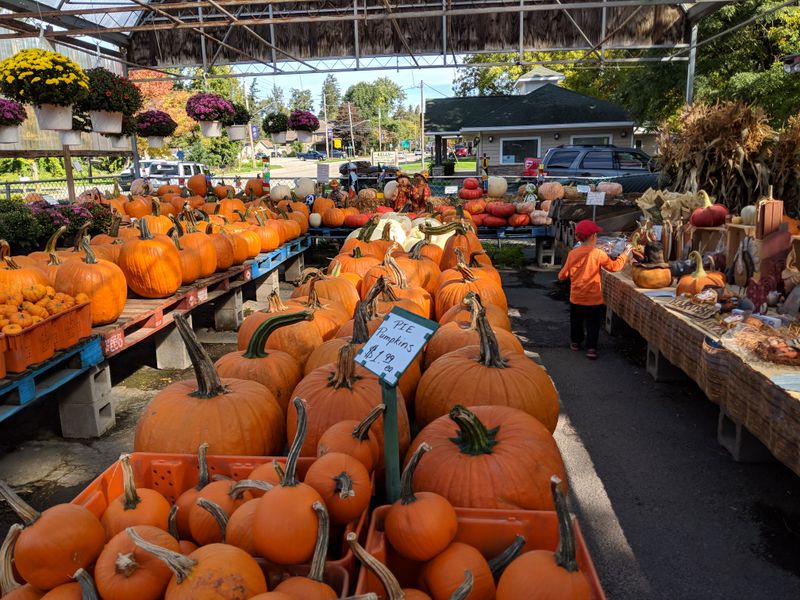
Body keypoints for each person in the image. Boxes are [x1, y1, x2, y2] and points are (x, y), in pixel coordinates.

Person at [557, 220, 632, 360]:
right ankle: (591, 348)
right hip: (593, 298)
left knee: (576, 321)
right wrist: (625, 254)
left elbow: (562, 275)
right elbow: (615, 267)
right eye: (596, 234)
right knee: (593, 323)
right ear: (593, 237)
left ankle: (575, 343)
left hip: (576, 297)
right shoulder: (598, 254)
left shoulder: (573, 253)